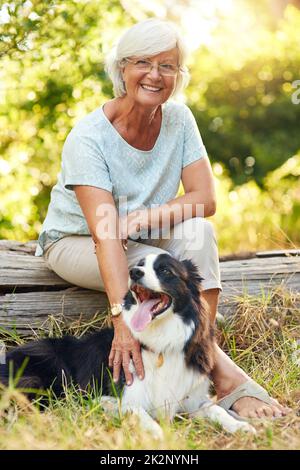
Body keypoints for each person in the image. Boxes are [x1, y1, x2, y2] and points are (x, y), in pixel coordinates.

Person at [35, 18, 289, 419]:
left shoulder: (179, 120)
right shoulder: (89, 138)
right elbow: (106, 236)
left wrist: (147, 215)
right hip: (77, 241)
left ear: (178, 75)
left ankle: (198, 351)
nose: (155, 75)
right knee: (143, 248)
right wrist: (122, 320)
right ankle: (226, 379)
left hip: (143, 239)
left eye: (167, 65)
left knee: (197, 231)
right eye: (142, 63)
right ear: (121, 69)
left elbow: (205, 199)